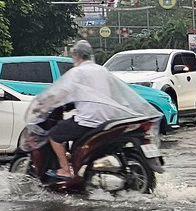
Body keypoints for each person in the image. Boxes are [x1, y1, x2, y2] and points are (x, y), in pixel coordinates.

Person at [46, 40, 137, 181]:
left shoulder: (77, 72)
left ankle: (65, 170)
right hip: (108, 120)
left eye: (73, 56)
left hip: (88, 121)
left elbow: (63, 93)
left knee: (55, 135)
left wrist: (50, 102)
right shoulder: (102, 70)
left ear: (77, 55)